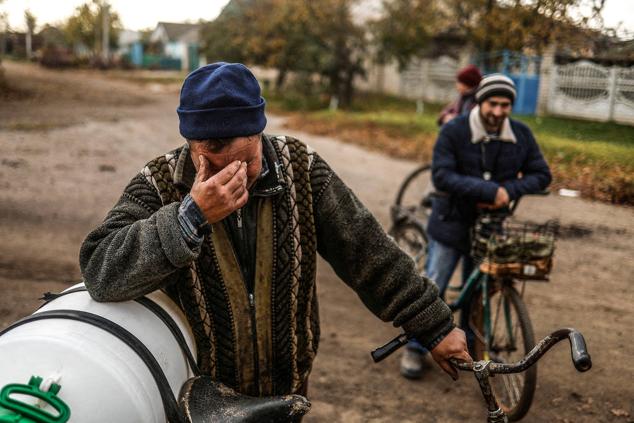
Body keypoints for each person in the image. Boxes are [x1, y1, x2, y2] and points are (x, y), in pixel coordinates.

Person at [79, 62, 471, 401]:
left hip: (288, 392)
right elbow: (101, 271)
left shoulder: (301, 168)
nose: (233, 179)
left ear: (259, 135)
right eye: (214, 166)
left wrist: (434, 326)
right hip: (195, 400)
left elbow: (368, 252)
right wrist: (190, 216)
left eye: (245, 162)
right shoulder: (160, 182)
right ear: (191, 145)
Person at [400, 74, 552, 379]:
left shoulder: (520, 135)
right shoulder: (454, 130)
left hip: (489, 230)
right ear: (480, 102)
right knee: (435, 287)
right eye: (492, 103)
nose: (498, 111)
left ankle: (468, 350)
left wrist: (508, 190)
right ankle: (416, 348)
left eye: (505, 104)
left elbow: (541, 174)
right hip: (450, 223)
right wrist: (488, 191)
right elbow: (442, 175)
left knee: (477, 294)